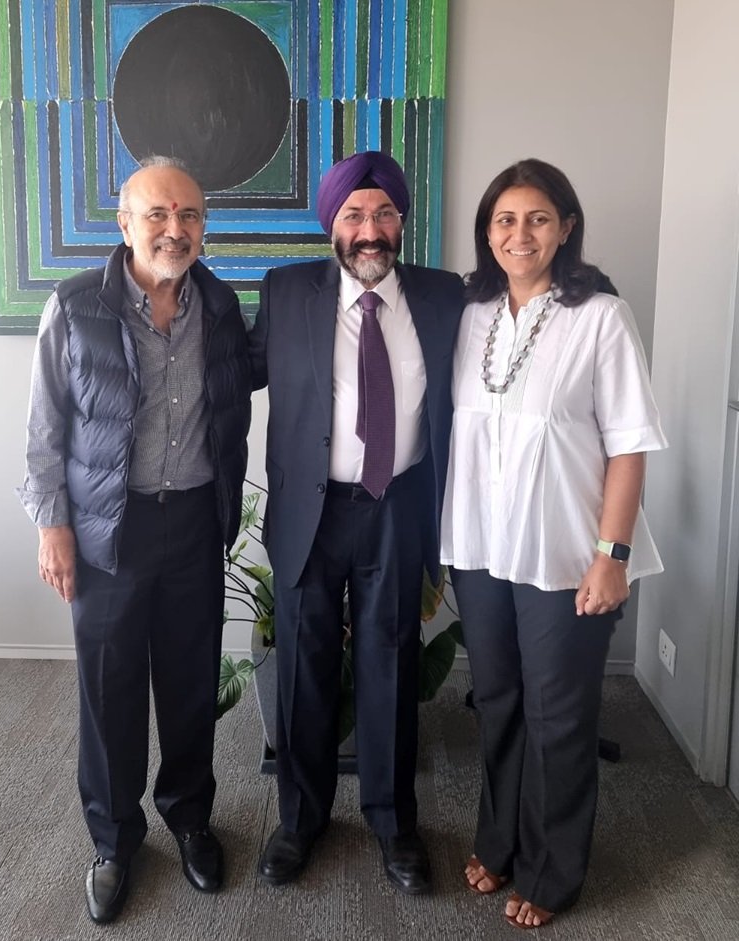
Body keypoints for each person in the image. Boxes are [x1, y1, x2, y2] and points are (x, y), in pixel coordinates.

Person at [17, 156, 251, 924]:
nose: (174, 228)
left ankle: (188, 816)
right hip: (105, 529)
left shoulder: (221, 306)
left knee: (189, 684)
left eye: (188, 215)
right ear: (125, 224)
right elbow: (45, 429)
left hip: (193, 520)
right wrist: (53, 526)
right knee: (109, 689)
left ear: (203, 227)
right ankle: (114, 838)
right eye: (157, 213)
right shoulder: (74, 305)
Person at [440, 158, 667, 929]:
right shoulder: (470, 314)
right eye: (504, 219)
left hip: (568, 551)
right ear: (487, 233)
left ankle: (553, 869)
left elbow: (630, 444)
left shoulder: (601, 316)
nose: (520, 233)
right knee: (498, 701)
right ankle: (499, 841)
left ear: (566, 227)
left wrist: (613, 554)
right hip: (480, 548)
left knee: (558, 714)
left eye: (537, 218)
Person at [248, 151, 464, 894]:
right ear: (331, 225)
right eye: (353, 215)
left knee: (391, 663)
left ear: (401, 221)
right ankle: (299, 819)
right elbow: (229, 371)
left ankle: (394, 822)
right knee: (303, 665)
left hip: (398, 505)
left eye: (383, 214)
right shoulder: (286, 292)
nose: (369, 230)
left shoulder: (443, 295)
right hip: (311, 509)